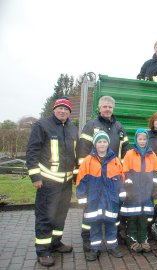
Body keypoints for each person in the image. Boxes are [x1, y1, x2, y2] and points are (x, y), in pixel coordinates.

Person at [26, 97, 78, 267]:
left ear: (70, 112)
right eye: (60, 108)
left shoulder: (72, 128)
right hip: (48, 182)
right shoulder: (42, 125)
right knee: (45, 216)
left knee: (60, 215)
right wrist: (35, 176)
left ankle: (55, 243)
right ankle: (43, 251)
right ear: (54, 109)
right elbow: (32, 151)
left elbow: (75, 155)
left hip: (66, 182)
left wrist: (76, 177)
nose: (62, 111)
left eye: (66, 109)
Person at [77, 95, 130, 258]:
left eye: (110, 107)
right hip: (93, 181)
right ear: (99, 108)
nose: (107, 109)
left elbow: (125, 151)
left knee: (111, 216)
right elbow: (82, 151)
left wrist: (121, 176)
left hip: (112, 180)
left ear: (113, 109)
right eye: (104, 106)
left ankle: (113, 242)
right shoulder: (91, 125)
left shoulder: (119, 127)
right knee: (91, 216)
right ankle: (90, 242)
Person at [76, 131, 125, 261]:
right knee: (95, 225)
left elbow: (121, 178)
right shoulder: (88, 161)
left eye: (104, 141)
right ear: (95, 144)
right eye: (99, 141)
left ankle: (112, 246)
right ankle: (95, 249)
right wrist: (81, 197)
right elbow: (81, 180)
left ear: (108, 143)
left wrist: (122, 193)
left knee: (111, 224)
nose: (102, 144)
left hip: (111, 200)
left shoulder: (115, 160)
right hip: (94, 200)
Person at [121, 129, 157, 253]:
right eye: (140, 139)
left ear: (147, 140)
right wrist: (129, 189)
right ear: (136, 140)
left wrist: (154, 189)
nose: (142, 141)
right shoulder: (129, 154)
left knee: (144, 218)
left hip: (147, 192)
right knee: (132, 217)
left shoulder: (152, 155)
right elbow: (125, 172)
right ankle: (132, 239)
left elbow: (156, 173)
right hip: (134, 193)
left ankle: (144, 239)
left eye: (144, 139)